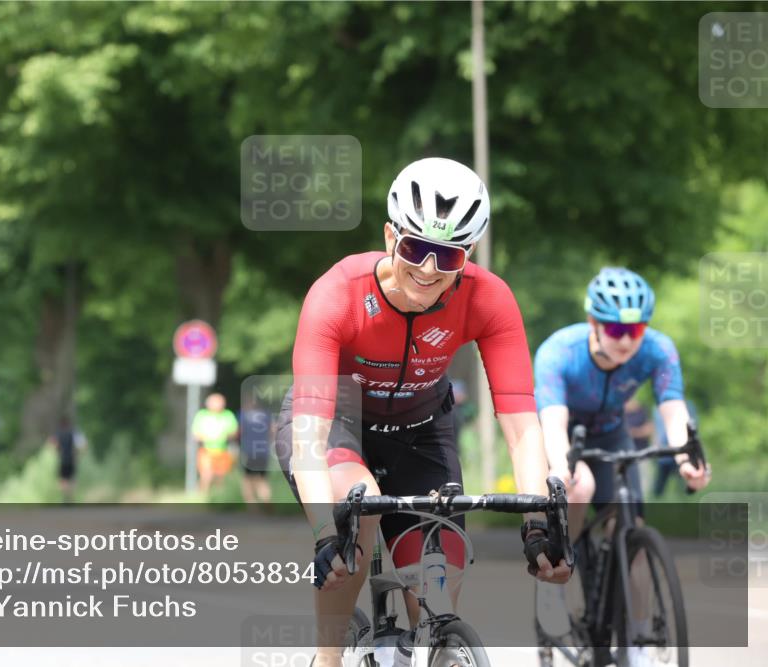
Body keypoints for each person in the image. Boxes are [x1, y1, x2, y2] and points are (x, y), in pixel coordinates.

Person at [274, 158, 571, 667]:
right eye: (416, 248)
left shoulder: (489, 298)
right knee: (355, 517)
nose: (429, 269)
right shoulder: (337, 295)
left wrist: (539, 522)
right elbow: (309, 433)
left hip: (421, 430)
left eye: (448, 255)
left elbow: (522, 427)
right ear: (391, 236)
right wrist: (327, 532)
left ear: (468, 253)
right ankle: (326, 660)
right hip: (335, 423)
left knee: (433, 596)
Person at [533, 267, 711, 657]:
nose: (628, 340)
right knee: (580, 485)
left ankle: (639, 642)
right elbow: (552, 422)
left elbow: (673, 409)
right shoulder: (559, 352)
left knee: (635, 532)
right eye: (615, 330)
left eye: (637, 329)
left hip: (613, 432)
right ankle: (557, 579)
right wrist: (564, 466)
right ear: (592, 322)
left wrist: (687, 457)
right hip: (563, 430)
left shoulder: (658, 349)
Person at [192, 393, 239, 494]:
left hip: (222, 450)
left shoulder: (228, 414)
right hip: (207, 450)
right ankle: (201, 496)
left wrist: (224, 436)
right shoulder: (202, 415)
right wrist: (208, 437)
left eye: (221, 402)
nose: (220, 404)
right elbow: (195, 434)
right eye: (217, 402)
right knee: (207, 475)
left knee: (220, 476)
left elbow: (234, 432)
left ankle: (218, 498)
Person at [652, 399, 700, 497]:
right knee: (660, 484)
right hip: (663, 450)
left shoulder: (689, 405)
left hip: (681, 449)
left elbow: (693, 426)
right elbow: (656, 428)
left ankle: (684, 498)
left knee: (683, 479)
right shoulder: (656, 409)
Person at [238, 395, 274, 507]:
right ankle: (266, 501)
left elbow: (239, 432)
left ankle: (251, 505)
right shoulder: (266, 415)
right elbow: (273, 431)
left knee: (247, 479)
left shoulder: (243, 415)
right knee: (262, 478)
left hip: (249, 451)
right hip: (263, 451)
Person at [48, 416, 84, 503]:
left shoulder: (58, 433)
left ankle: (65, 497)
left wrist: (57, 451)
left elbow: (52, 443)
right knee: (72, 478)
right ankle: (71, 497)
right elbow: (81, 444)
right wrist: (78, 454)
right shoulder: (73, 432)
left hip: (63, 459)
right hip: (72, 458)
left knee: (63, 479)